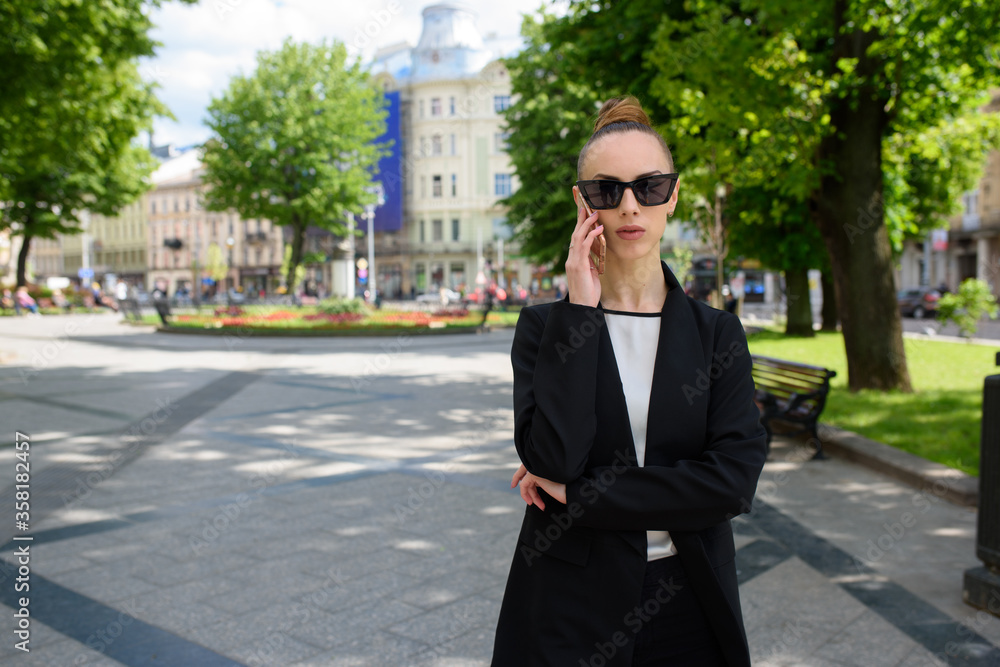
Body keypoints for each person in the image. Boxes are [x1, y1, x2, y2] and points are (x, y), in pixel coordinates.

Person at [491, 97, 767, 667]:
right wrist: (581, 309)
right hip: (568, 606)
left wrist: (584, 498)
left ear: (674, 194)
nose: (629, 205)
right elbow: (555, 459)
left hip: (688, 602)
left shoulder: (717, 335)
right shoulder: (547, 327)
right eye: (606, 190)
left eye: (649, 185)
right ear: (581, 201)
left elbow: (731, 484)